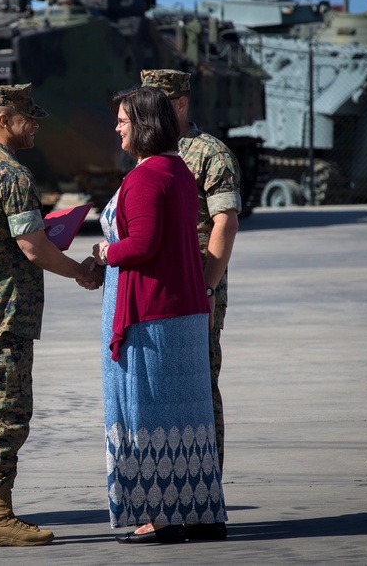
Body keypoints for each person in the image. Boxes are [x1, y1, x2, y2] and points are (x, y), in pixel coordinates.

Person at [0, 83, 99, 548]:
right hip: (4, 314)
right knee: (7, 414)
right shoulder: (11, 175)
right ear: (4, 120)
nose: (35, 127)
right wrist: (80, 272)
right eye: (28, 119)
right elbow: (33, 247)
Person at [93, 86, 227, 544]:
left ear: (145, 125)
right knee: (190, 415)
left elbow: (142, 246)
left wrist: (105, 250)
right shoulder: (179, 171)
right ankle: (202, 513)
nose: (117, 128)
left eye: (124, 121)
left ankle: (162, 516)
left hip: (152, 315)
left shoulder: (147, 177)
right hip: (184, 307)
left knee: (147, 413)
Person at [141, 68, 241, 477]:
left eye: (159, 106)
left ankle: (207, 486)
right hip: (160, 289)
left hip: (198, 286)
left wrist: (207, 286)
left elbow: (226, 222)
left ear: (181, 105)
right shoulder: (149, 149)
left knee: (199, 381)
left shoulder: (208, 153)